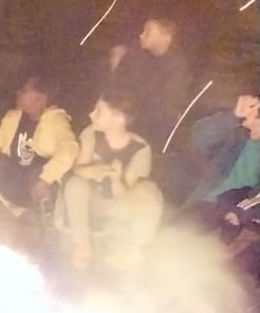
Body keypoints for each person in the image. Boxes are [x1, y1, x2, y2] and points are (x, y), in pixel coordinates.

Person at [58, 91, 164, 272]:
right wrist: (89, 171)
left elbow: (127, 195)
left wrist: (116, 181)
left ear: (118, 118)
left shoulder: (140, 148)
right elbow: (78, 169)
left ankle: (135, 248)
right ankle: (83, 246)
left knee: (150, 191)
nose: (92, 115)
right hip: (91, 203)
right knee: (75, 184)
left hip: (118, 206)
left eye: (99, 111)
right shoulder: (91, 134)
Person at [0, 73, 79, 227]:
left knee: (37, 171)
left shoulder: (56, 121)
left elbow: (69, 148)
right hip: (16, 180)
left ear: (41, 97)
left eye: (24, 91)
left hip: (39, 186)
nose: (19, 93)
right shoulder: (12, 118)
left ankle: (47, 229)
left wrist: (47, 178)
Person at [106, 16, 193, 153]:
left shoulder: (178, 68)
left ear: (166, 37)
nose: (141, 35)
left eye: (148, 32)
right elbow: (119, 86)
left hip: (156, 131)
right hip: (132, 117)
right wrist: (116, 66)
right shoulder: (138, 53)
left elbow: (162, 106)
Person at [186, 93, 260, 224]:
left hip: (227, 216)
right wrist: (234, 116)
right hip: (197, 201)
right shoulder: (233, 132)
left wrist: (243, 214)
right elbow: (198, 137)